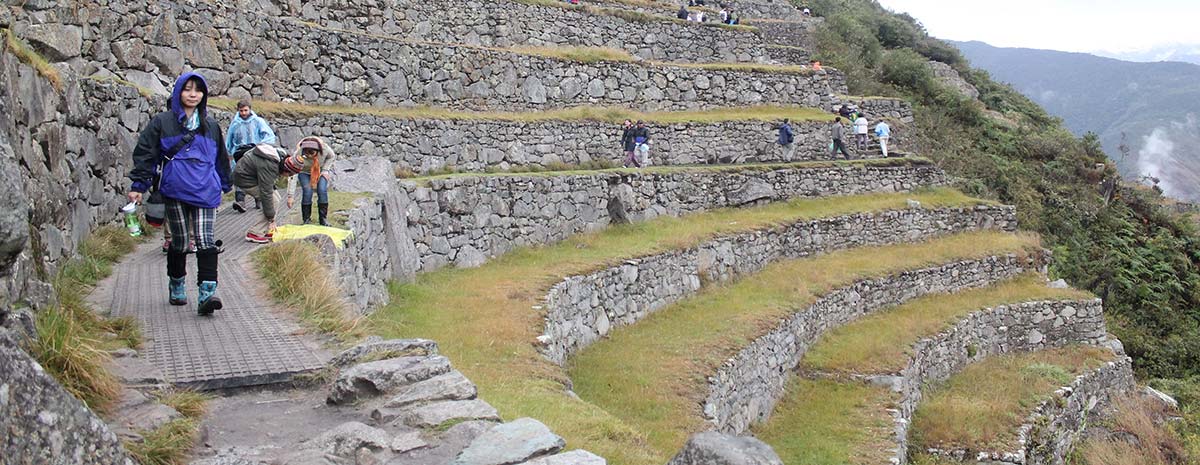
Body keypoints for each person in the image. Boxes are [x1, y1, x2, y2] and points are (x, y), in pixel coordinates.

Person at [127, 72, 231, 316]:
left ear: (204, 95)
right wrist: (139, 186)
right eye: (187, 89)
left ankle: (207, 293)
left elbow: (220, 159)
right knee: (181, 242)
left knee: (206, 240)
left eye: (198, 90)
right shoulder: (162, 122)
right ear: (178, 93)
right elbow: (146, 153)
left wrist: (225, 183)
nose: (193, 94)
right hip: (175, 190)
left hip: (205, 191)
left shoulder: (211, 126)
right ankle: (177, 283)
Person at [232, 144, 306, 243]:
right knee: (272, 200)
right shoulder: (270, 166)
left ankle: (265, 229)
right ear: (286, 169)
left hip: (252, 175)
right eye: (289, 174)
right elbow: (266, 193)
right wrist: (271, 219)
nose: (288, 176)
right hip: (245, 179)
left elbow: (268, 183)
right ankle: (255, 233)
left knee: (277, 198)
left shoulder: (281, 157)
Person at [225, 99, 277, 213]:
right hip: (240, 153)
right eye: (241, 111)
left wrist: (261, 145)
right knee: (240, 175)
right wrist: (228, 153)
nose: (243, 113)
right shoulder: (235, 124)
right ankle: (240, 201)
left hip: (255, 152)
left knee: (257, 175)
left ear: (250, 109)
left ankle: (258, 199)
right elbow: (229, 140)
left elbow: (268, 135)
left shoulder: (258, 122)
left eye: (245, 110)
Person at [291, 136, 338, 226]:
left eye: (312, 153)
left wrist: (325, 170)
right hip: (304, 172)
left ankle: (323, 219)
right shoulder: (298, 154)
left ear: (318, 150)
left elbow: (332, 157)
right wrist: (290, 195)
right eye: (306, 153)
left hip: (320, 171)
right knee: (307, 191)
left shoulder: (324, 149)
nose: (309, 156)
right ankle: (306, 220)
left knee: (322, 190)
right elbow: (293, 173)